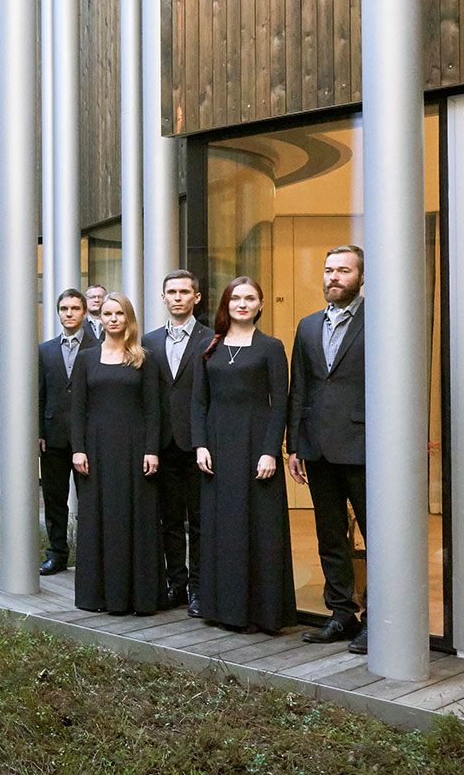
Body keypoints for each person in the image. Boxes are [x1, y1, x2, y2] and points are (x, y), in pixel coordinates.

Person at [192, 277, 297, 634]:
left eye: (250, 298)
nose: (242, 303)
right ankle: (223, 609)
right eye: (236, 298)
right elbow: (199, 402)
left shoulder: (271, 346)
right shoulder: (210, 346)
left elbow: (280, 403)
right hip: (217, 448)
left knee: (259, 528)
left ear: (260, 305)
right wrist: (201, 444)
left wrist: (271, 451)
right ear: (226, 304)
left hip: (256, 444)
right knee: (223, 528)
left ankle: (263, 613)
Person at [288, 245, 370, 653]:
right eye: (328, 270)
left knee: (378, 537)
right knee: (330, 536)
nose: (333, 277)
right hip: (317, 447)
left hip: (365, 448)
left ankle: (378, 620)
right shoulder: (306, 326)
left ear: (360, 277)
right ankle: (341, 615)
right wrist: (293, 445)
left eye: (343, 270)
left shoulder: (379, 319)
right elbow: (298, 388)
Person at [69, 292, 161, 615]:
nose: (113, 319)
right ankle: (99, 595)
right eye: (107, 313)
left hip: (135, 450)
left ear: (128, 319)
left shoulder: (143, 359)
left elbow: (153, 410)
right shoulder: (86, 359)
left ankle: (137, 596)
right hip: (95, 451)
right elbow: (77, 410)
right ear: (100, 318)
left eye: (119, 314)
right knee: (97, 518)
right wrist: (77, 449)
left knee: (135, 519)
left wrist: (152, 450)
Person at [141, 270, 215, 615]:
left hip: (198, 444)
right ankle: (177, 584)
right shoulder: (148, 342)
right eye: (171, 291)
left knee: (199, 520)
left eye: (185, 291)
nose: (178, 297)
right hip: (162, 444)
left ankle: (200, 588)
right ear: (163, 297)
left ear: (196, 297)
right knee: (169, 520)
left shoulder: (212, 339)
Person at [37, 289, 95, 574]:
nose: (69, 313)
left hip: (89, 436)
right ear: (58, 312)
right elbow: (38, 393)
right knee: (54, 498)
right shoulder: (45, 349)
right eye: (64, 308)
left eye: (74, 308)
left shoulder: (99, 345)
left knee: (90, 500)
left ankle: (89, 556)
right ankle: (57, 553)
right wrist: (38, 431)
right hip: (54, 435)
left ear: (84, 312)